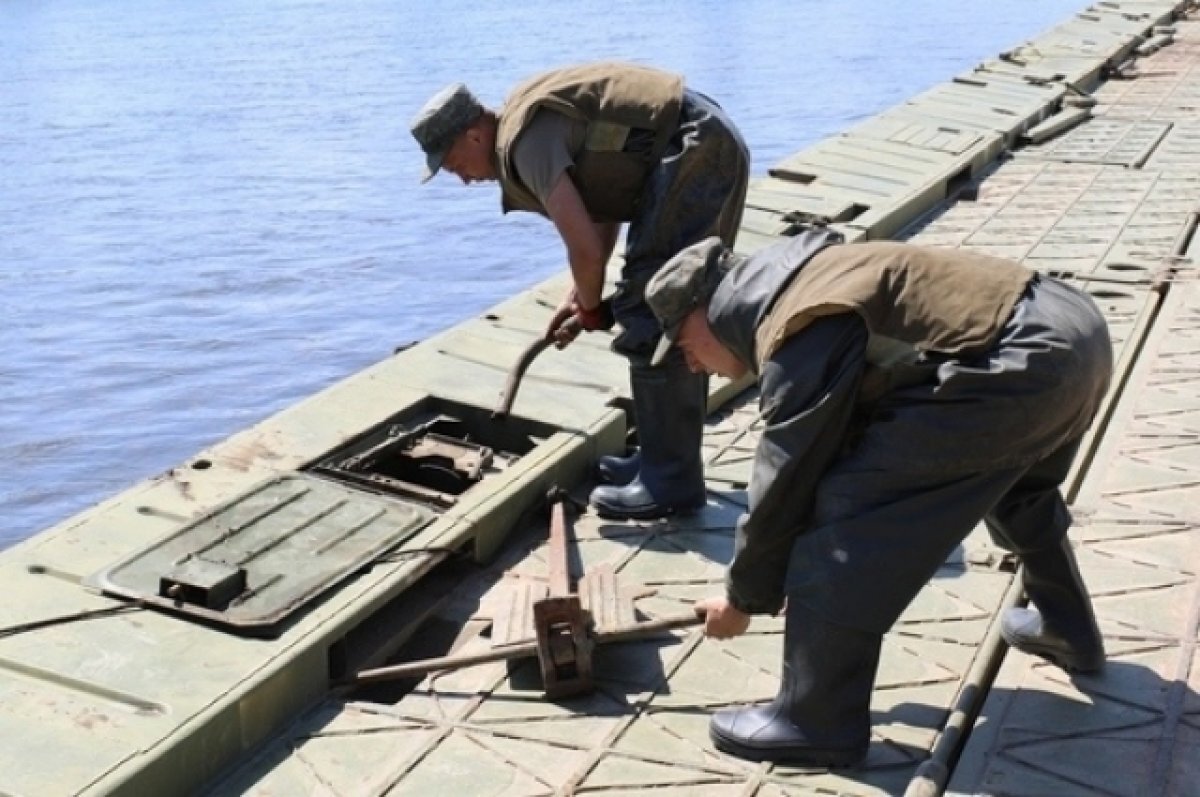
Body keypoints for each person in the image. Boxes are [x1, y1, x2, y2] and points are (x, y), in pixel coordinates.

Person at [644, 227, 1111, 767]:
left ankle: (814, 720)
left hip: (1026, 362)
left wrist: (744, 595)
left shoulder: (797, 327)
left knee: (846, 509)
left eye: (683, 345)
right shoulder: (811, 277)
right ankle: (1067, 628)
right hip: (1076, 334)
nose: (692, 365)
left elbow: (787, 476)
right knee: (1017, 490)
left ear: (705, 312)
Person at [410, 62, 750, 520]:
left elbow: (585, 249)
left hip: (697, 148)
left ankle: (670, 481)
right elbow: (604, 200)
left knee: (657, 308)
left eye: (454, 165)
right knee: (648, 297)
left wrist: (592, 306)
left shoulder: (525, 144)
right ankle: (659, 460)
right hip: (695, 140)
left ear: (474, 134)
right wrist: (582, 294)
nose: (464, 179)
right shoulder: (526, 125)